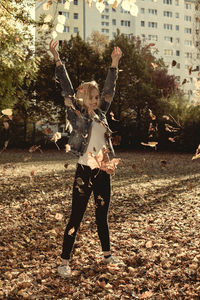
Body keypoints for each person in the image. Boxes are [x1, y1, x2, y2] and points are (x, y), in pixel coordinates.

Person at [49, 40, 124, 278]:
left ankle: (107, 255)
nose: (95, 99)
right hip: (84, 173)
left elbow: (110, 88)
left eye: (96, 96)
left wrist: (114, 63)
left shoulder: (102, 114)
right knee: (76, 217)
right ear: (82, 99)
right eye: (90, 96)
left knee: (102, 216)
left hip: (103, 171)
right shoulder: (77, 114)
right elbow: (66, 87)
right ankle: (64, 261)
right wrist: (57, 58)